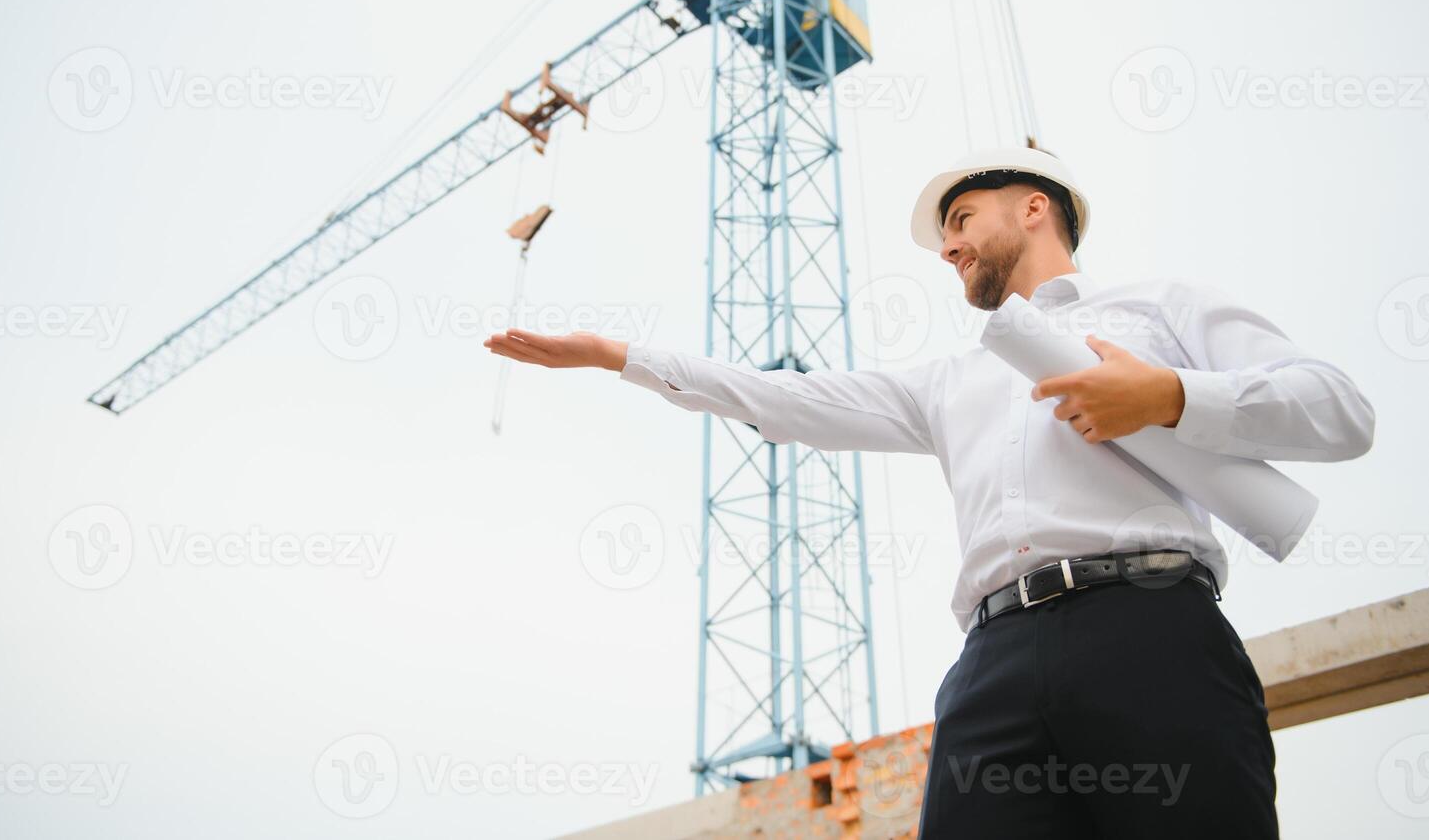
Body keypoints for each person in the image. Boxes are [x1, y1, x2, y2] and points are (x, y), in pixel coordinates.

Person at [482, 146, 1376, 838]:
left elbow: (1339, 411)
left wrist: (1167, 395)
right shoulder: (950, 380)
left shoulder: (1159, 308)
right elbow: (788, 401)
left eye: (958, 218)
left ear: (1033, 208)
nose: (946, 246)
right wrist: (623, 358)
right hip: (993, 665)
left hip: (1152, 633)